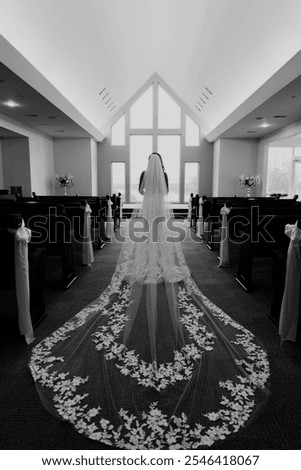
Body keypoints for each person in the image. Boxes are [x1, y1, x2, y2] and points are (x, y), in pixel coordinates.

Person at [29, 153, 269, 449]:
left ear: (147, 166)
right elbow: (164, 193)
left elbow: (143, 193)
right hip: (161, 215)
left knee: (144, 244)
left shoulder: (144, 176)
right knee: (163, 243)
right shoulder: (165, 177)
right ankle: (160, 265)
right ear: (162, 166)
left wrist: (148, 195)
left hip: (146, 213)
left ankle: (148, 265)